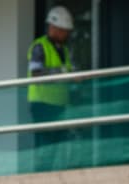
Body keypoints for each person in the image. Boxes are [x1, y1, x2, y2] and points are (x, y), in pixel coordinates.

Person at [26, 6, 75, 171]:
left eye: (66, 31)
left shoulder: (64, 50)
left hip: (59, 106)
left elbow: (67, 74)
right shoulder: (39, 47)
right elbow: (36, 74)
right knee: (45, 148)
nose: (65, 34)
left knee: (57, 148)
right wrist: (60, 72)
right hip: (42, 106)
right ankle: (40, 179)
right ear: (53, 28)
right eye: (63, 31)